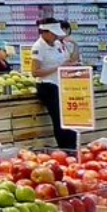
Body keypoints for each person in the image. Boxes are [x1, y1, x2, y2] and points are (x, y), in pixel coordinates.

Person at [32, 19, 77, 149]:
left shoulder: (57, 44)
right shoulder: (38, 47)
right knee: (59, 119)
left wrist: (75, 46)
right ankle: (65, 148)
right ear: (44, 32)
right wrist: (58, 67)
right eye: (53, 33)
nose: (56, 36)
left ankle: (73, 147)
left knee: (69, 117)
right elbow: (35, 72)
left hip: (62, 85)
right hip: (48, 86)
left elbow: (70, 59)